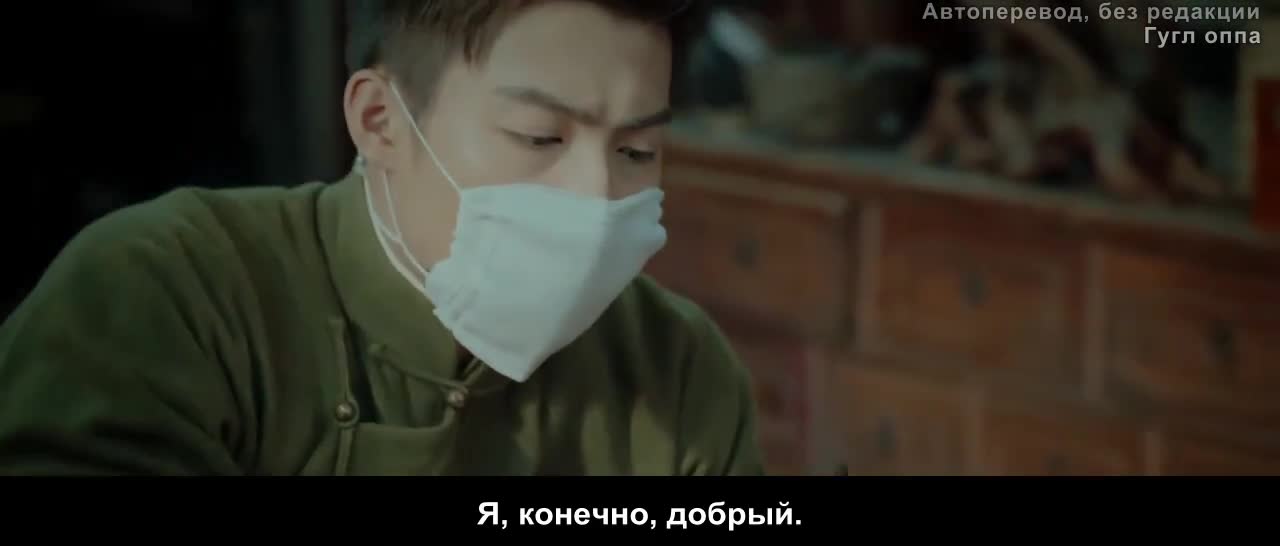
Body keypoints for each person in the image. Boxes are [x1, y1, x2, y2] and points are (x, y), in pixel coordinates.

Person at [0, 0, 764, 476]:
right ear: (381, 121)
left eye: (635, 151)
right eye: (540, 137)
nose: (598, 196)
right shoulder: (168, 295)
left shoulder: (674, 367)